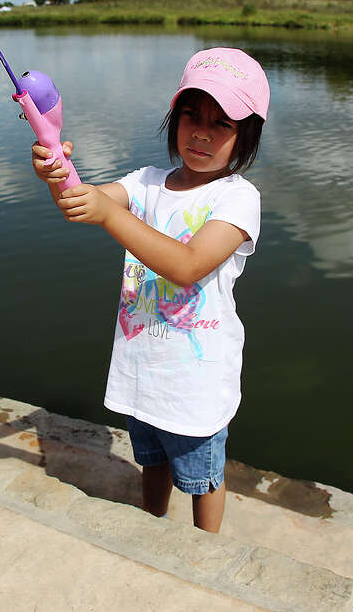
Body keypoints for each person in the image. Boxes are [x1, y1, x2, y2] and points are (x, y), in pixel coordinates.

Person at [30, 47, 268, 532]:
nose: (201, 132)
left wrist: (110, 214)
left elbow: (187, 266)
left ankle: (206, 554)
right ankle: (151, 527)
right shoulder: (145, 182)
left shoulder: (238, 198)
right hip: (143, 373)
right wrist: (56, 171)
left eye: (222, 124)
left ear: (245, 136)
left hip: (196, 385)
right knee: (152, 462)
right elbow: (85, 201)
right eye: (190, 116)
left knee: (203, 478)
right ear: (173, 118)